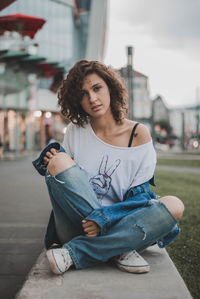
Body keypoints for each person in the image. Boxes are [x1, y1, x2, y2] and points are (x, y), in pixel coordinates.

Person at [32, 60, 184, 275]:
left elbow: (140, 199)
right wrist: (50, 161)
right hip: (79, 227)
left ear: (110, 87)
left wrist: (104, 219)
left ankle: (76, 253)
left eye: (96, 88)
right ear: (77, 100)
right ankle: (119, 247)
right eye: (83, 94)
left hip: (120, 221)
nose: (92, 99)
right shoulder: (75, 131)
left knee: (174, 204)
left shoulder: (138, 135)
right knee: (58, 160)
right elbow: (66, 189)